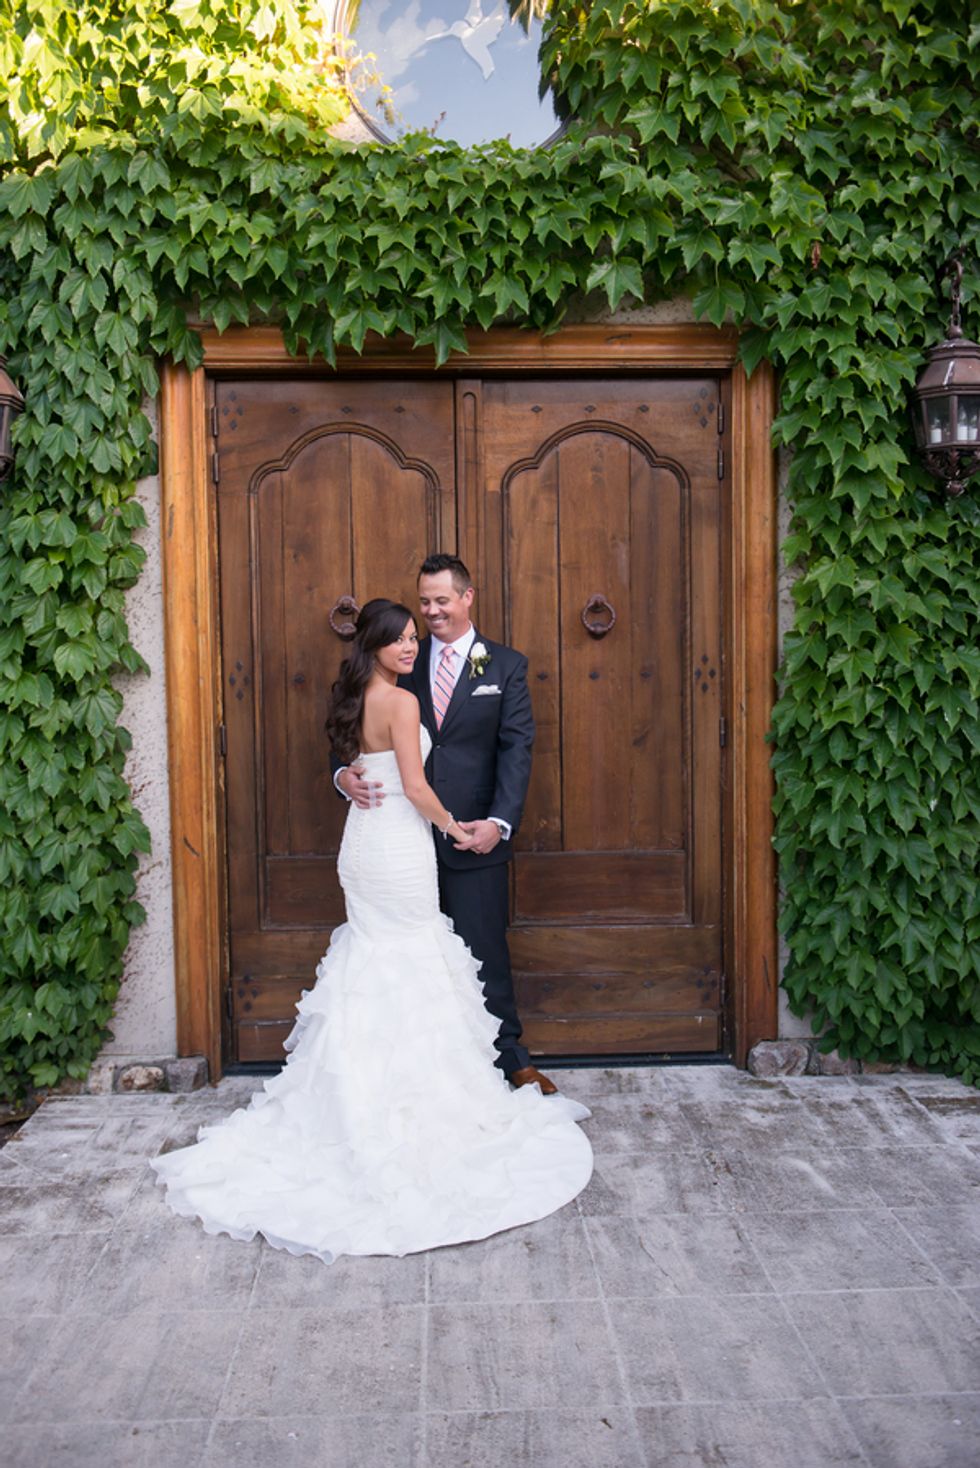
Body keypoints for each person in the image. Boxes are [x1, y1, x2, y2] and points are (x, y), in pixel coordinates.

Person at [150, 598, 592, 1262]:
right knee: (410, 958)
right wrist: (456, 828)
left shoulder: (356, 694)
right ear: (376, 645)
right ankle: (412, 1110)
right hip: (399, 847)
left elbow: (365, 757)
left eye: (416, 636)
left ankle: (359, 1097)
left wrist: (354, 774)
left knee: (375, 962)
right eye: (401, 638)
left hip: (362, 845)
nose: (412, 646)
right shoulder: (403, 701)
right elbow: (414, 786)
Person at [335, 554, 556, 1093]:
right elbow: (350, 730)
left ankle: (508, 1058)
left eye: (441, 601)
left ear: (467, 597)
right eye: (424, 601)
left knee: (482, 951)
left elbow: (517, 748)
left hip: (473, 833)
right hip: (399, 838)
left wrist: (498, 822)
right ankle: (413, 1074)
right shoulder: (397, 661)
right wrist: (342, 776)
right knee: (408, 958)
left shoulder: (504, 666)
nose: (431, 612)